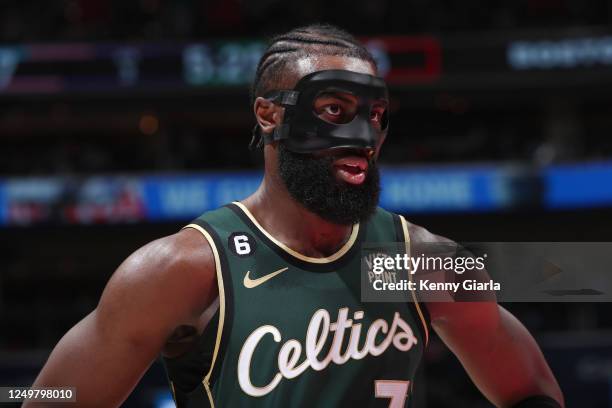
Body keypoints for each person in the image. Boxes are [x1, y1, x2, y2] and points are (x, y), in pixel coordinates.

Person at [27, 24, 564, 408]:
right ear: (269, 114)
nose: (364, 138)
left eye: (374, 116)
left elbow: (532, 388)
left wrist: (564, 274)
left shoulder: (416, 262)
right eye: (335, 111)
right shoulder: (184, 268)